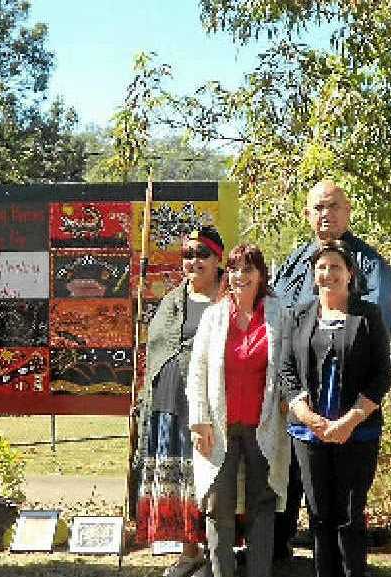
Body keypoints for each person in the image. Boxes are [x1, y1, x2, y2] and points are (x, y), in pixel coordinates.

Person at [270, 179, 391, 561]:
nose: (325, 213)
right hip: (300, 405)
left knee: (346, 509)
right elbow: (281, 322)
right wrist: (293, 398)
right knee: (301, 494)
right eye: (317, 207)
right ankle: (282, 552)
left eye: (333, 206)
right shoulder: (295, 262)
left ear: (348, 210)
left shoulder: (369, 265)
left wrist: (351, 415)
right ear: (307, 214)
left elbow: (372, 343)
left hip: (349, 408)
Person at [186, 243, 289, 577]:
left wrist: (290, 400)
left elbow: (288, 366)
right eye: (233, 269)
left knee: (262, 505)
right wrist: (200, 419)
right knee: (218, 506)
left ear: (261, 274)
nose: (239, 276)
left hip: (265, 425)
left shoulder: (277, 313)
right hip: (219, 425)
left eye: (248, 269)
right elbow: (198, 370)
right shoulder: (215, 316)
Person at [134, 226, 224, 577]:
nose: (194, 260)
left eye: (202, 254)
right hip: (170, 407)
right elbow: (160, 349)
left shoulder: (229, 299)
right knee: (181, 482)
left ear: (218, 259)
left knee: (212, 480)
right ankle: (189, 552)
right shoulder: (172, 301)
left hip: (211, 409)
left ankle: (217, 554)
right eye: (188, 254)